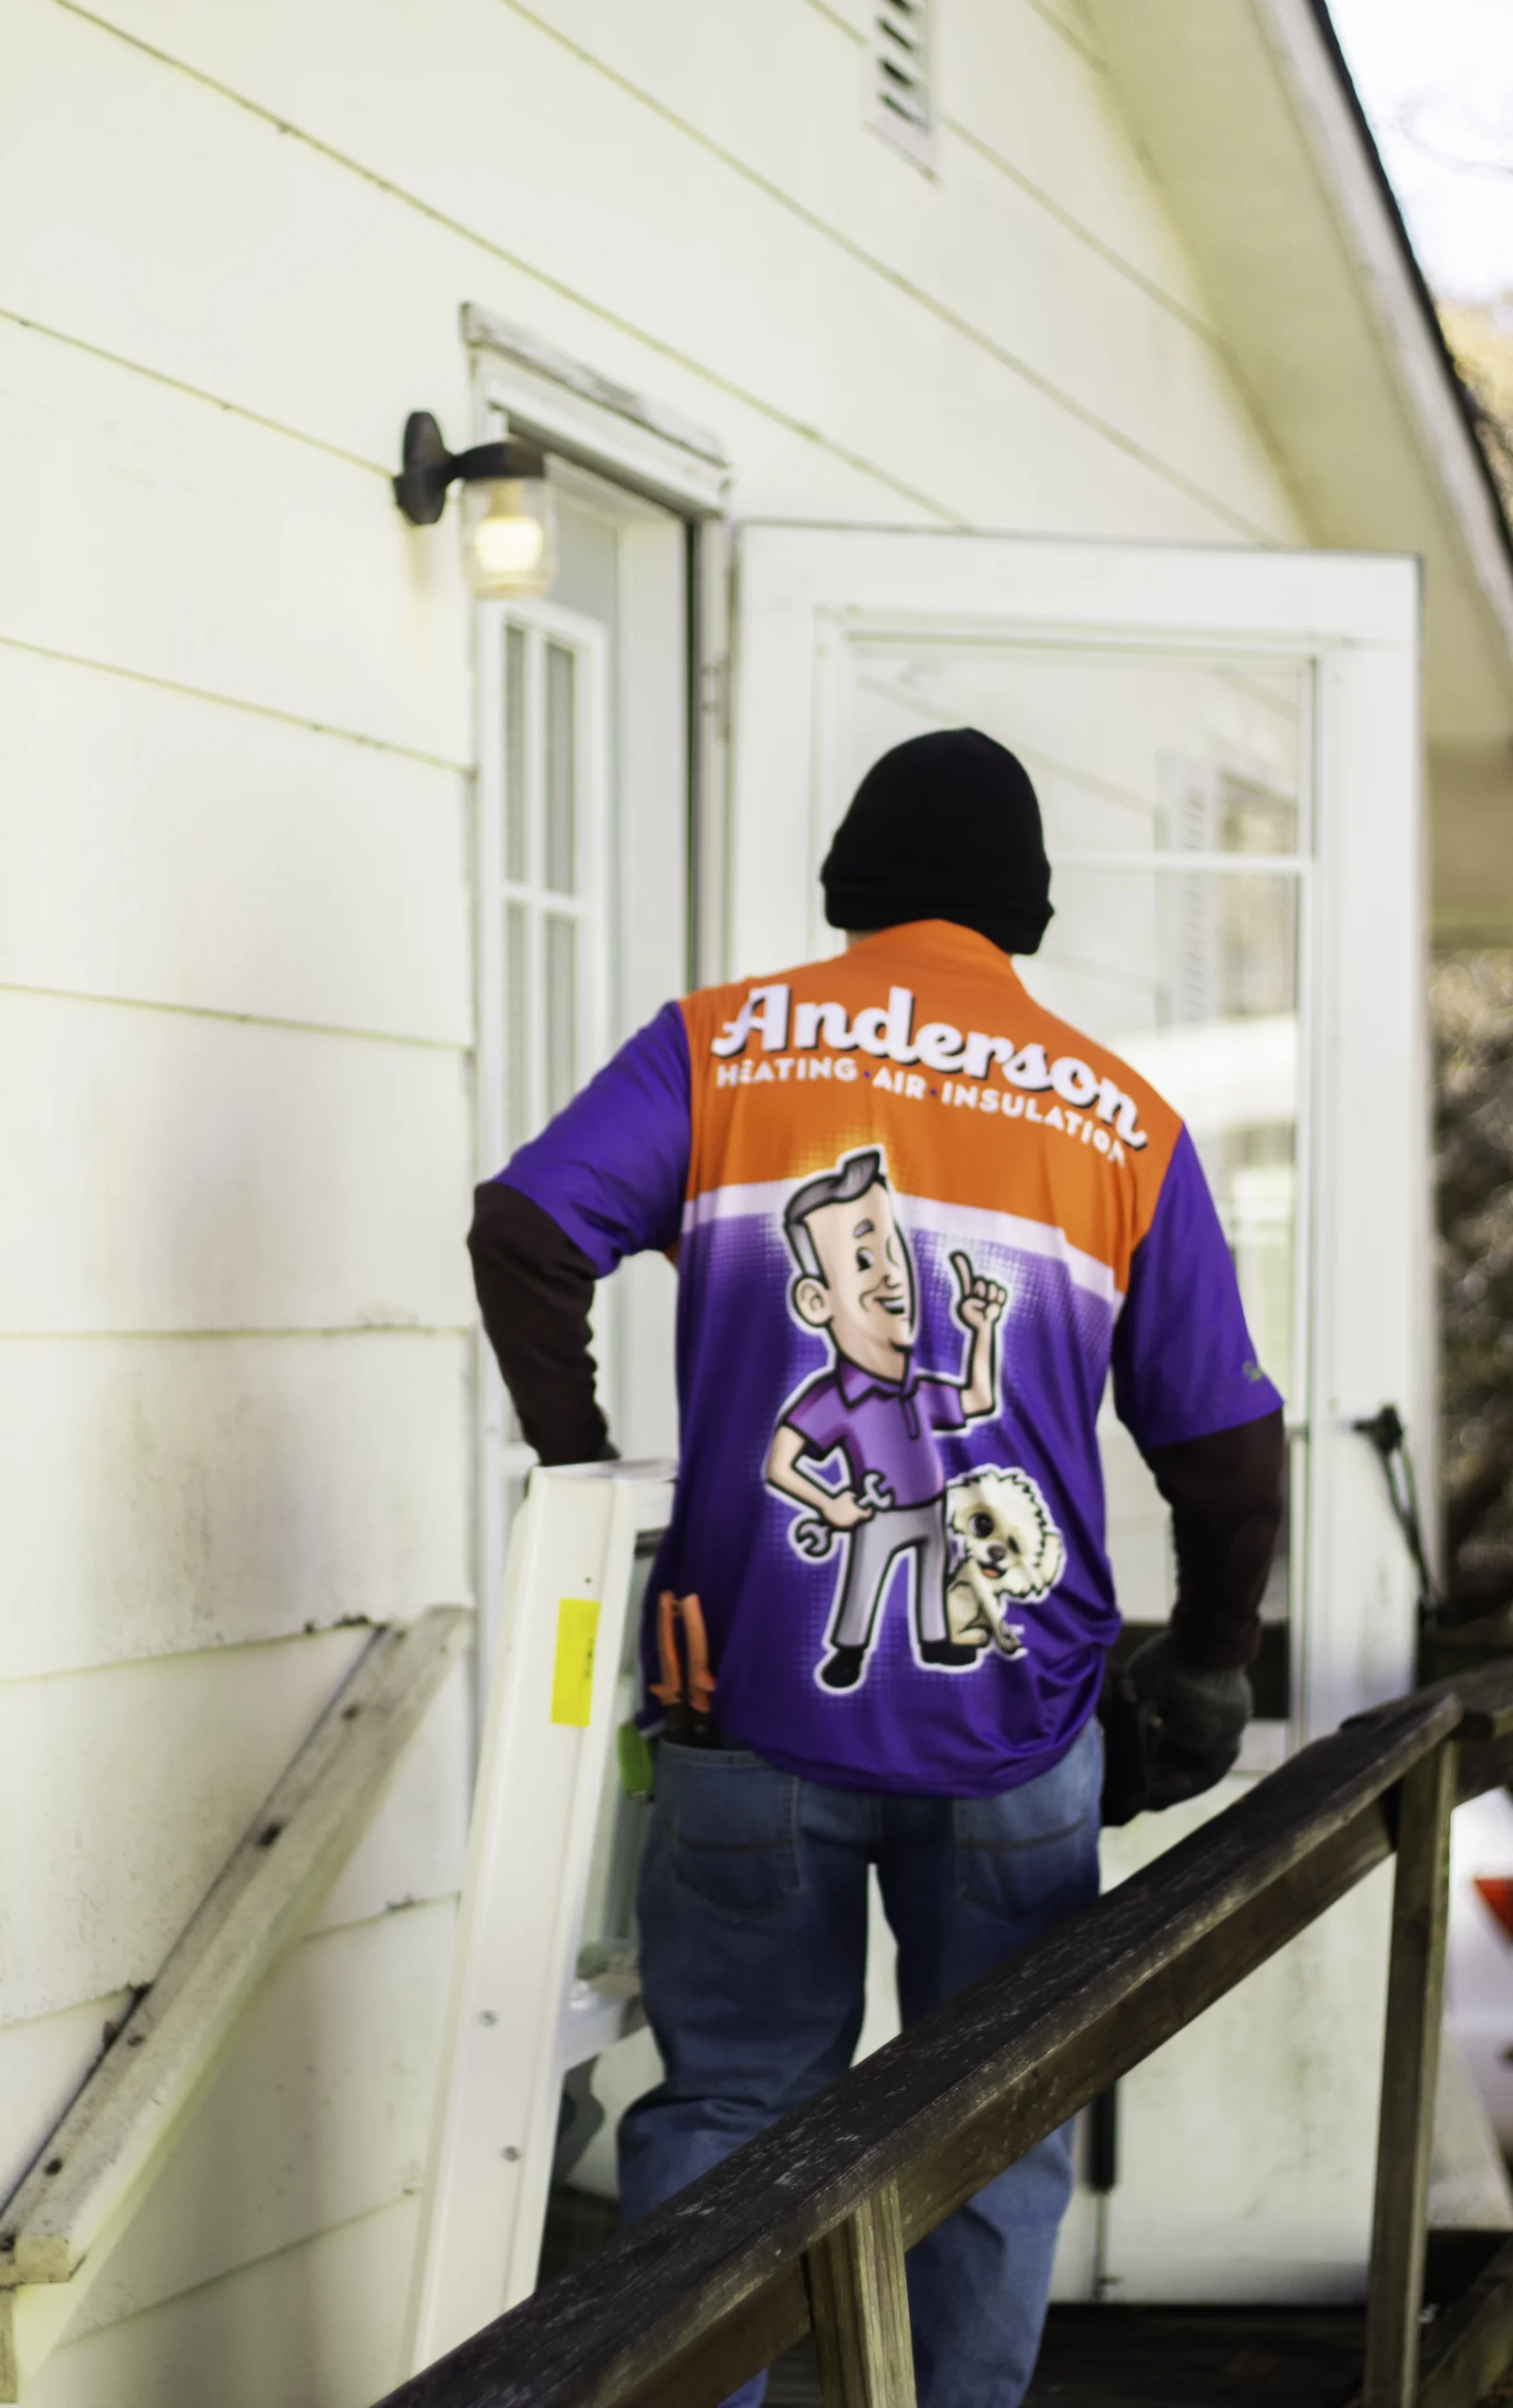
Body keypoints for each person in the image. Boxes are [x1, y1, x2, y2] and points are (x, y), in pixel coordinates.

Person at [468, 728, 1284, 2408]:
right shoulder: (1118, 1119)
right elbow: (1222, 1449)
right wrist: (1205, 1658)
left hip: (740, 1696)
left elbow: (527, 1231)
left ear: (849, 887)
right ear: (1024, 915)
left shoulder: (724, 1046)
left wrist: (583, 1464)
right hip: (1019, 1718)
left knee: (732, 2109)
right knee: (993, 2123)